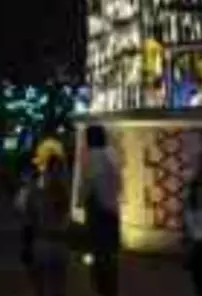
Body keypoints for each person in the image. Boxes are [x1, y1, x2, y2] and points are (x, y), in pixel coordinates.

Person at [78, 125, 121, 296]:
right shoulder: (112, 155)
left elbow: (87, 187)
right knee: (110, 260)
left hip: (98, 213)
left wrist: (81, 203)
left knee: (98, 259)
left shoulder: (91, 157)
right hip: (112, 212)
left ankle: (102, 290)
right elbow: (118, 184)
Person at [31, 154, 71, 296]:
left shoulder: (40, 189)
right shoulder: (61, 189)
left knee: (49, 284)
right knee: (55, 284)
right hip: (53, 242)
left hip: (48, 242)